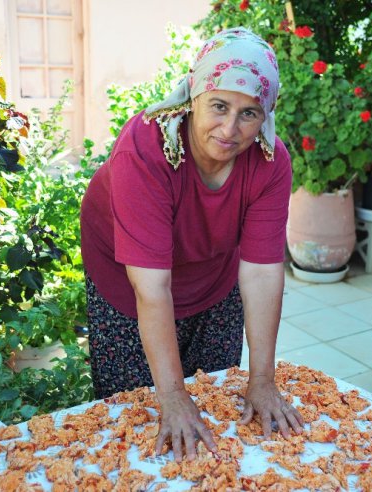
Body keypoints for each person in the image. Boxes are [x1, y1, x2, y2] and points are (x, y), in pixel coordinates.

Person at [80, 27, 303, 461]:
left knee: (218, 399)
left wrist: (262, 379)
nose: (230, 129)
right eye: (219, 106)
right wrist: (172, 395)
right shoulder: (144, 151)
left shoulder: (270, 163)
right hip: (131, 283)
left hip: (211, 274)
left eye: (250, 113)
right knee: (138, 423)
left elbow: (260, 271)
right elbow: (151, 288)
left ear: (267, 114)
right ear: (193, 96)